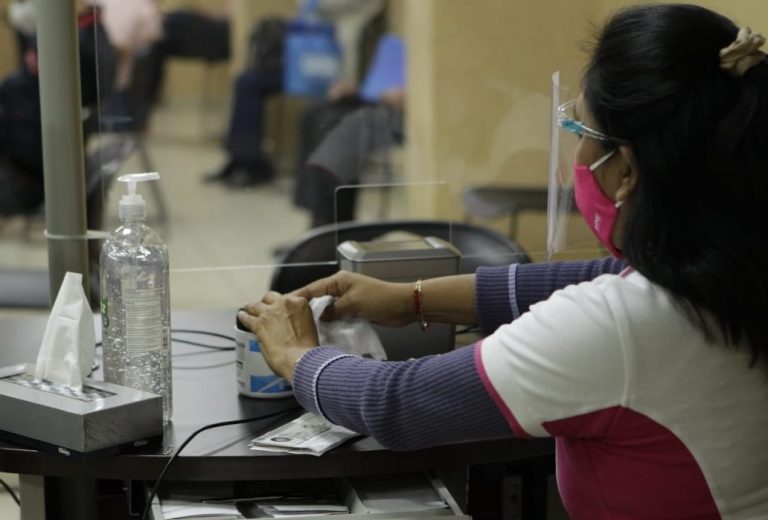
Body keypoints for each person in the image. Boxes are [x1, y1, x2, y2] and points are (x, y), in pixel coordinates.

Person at [238, 4, 768, 518]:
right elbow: (596, 276)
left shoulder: (622, 327)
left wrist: (297, 355)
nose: (578, 156)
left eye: (581, 133)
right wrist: (411, 299)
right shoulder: (735, 266)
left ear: (625, 170)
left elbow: (396, 405)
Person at [204, 0, 385, 188]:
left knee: (314, 109)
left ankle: (251, 165)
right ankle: (243, 159)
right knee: (247, 82)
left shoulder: (351, 22)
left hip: (327, 65)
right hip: (303, 51)